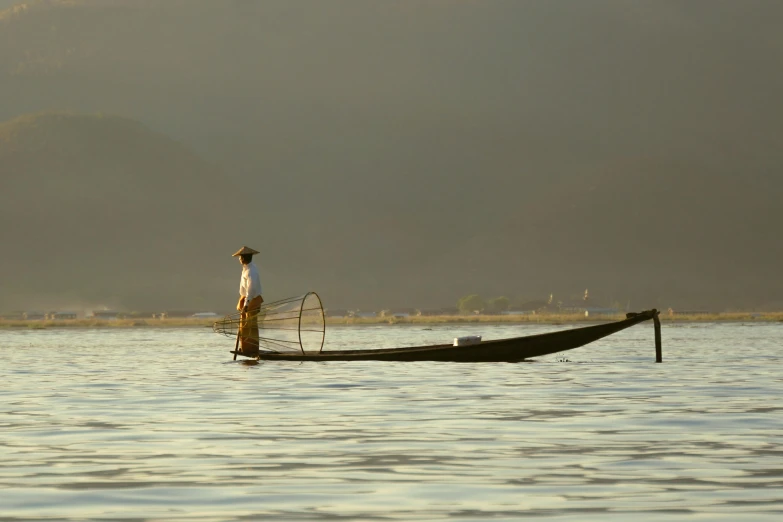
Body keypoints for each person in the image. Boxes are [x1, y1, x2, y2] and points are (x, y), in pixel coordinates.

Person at [232, 246, 264, 356]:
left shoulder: (251, 271)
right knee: (245, 326)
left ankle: (251, 349)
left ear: (245, 258)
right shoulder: (247, 269)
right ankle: (246, 347)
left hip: (252, 300)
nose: (239, 259)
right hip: (247, 299)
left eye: (240, 257)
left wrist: (246, 304)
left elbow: (251, 289)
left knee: (250, 326)